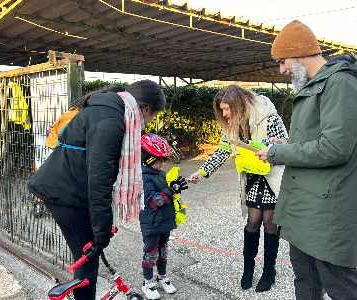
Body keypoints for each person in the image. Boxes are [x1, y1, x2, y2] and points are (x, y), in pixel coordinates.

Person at [28, 80, 166, 300]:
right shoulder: (111, 120)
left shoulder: (111, 110)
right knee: (88, 256)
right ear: (146, 109)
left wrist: (100, 230)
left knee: (88, 255)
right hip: (64, 193)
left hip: (70, 187)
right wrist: (101, 233)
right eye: (152, 117)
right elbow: (99, 179)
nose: (148, 123)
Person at [255, 20, 357, 300]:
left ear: (299, 54)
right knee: (306, 280)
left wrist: (278, 153)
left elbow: (336, 148)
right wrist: (286, 144)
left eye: (283, 61)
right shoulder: (316, 85)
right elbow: (317, 141)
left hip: (325, 212)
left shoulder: (340, 83)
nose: (282, 69)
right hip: (306, 208)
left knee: (341, 286)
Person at [188, 84, 288, 292]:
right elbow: (223, 151)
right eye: (222, 110)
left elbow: (285, 144)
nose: (224, 114)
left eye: (227, 109)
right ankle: (248, 269)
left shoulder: (268, 117)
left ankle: (269, 271)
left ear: (240, 104)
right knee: (252, 221)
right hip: (252, 178)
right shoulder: (232, 125)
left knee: (270, 223)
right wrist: (202, 172)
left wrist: (262, 144)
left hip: (272, 177)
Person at [139, 133, 188, 300]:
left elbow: (167, 196)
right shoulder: (144, 178)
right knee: (151, 252)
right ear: (148, 159)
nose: (163, 162)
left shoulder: (160, 174)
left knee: (163, 251)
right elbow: (154, 202)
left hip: (165, 222)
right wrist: (170, 190)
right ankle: (148, 282)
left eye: (163, 159)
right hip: (151, 223)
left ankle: (162, 277)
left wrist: (176, 187)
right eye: (159, 159)